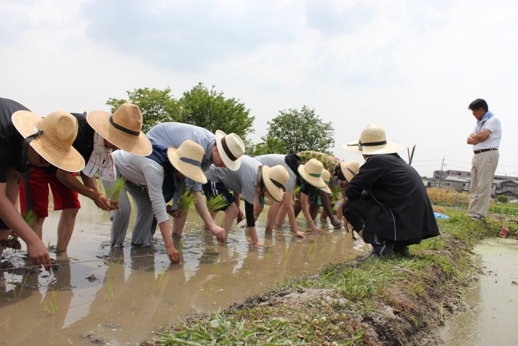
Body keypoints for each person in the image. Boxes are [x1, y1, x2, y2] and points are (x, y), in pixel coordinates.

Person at [19, 103, 152, 251]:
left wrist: (99, 196)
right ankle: (35, 255)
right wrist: (93, 195)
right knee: (37, 214)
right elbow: (62, 175)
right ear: (108, 133)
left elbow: (87, 172)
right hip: (40, 162)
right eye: (118, 142)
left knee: (72, 207)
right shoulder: (78, 130)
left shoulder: (101, 146)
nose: (118, 148)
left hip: (66, 167)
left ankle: (61, 253)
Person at [0, 97, 85, 269]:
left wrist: (13, 224)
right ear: (33, 142)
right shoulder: (4, 136)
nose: (46, 165)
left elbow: (13, 177)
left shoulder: (26, 143)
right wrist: (31, 239)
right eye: (44, 157)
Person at [342, 124, 439, 260]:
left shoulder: (376, 161)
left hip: (401, 223)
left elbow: (352, 192)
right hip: (414, 227)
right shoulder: (397, 162)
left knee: (349, 206)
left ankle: (379, 246)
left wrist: (351, 208)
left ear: (365, 151)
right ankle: (398, 247)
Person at [106, 140, 208, 263]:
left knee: (147, 209)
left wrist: (172, 208)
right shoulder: (154, 166)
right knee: (123, 210)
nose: (187, 176)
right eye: (186, 171)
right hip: (113, 166)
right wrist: (169, 246)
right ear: (177, 164)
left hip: (135, 177)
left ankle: (139, 246)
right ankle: (115, 250)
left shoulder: (171, 171)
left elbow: (158, 204)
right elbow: (158, 204)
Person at [146, 122, 245, 242]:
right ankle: (148, 237)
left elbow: (192, 186)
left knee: (185, 198)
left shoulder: (209, 153)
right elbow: (195, 191)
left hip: (172, 153)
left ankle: (176, 238)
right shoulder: (196, 148)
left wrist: (178, 205)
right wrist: (212, 225)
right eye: (225, 161)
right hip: (155, 147)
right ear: (218, 150)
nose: (225, 167)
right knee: (161, 195)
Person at [203, 155, 289, 246]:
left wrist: (239, 207)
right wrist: (255, 241)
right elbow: (249, 212)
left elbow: (235, 183)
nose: (266, 192)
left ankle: (205, 233)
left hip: (218, 175)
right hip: (212, 175)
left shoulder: (257, 169)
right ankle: (220, 242)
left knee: (219, 205)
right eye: (268, 189)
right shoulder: (251, 179)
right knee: (232, 211)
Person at [255, 154, 328, 237]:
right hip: (257, 169)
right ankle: (268, 233)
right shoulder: (292, 174)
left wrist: (313, 227)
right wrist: (296, 230)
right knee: (278, 200)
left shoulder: (301, 174)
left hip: (263, 173)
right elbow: (289, 207)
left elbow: (304, 208)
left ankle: (274, 227)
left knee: (259, 207)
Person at [466, 98, 502, 221]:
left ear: (482, 109)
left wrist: (478, 137)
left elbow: (481, 136)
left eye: (475, 112)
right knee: (474, 186)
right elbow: (469, 140)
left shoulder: (493, 120)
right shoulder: (479, 123)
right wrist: (478, 138)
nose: (474, 115)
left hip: (488, 154)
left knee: (483, 185)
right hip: (477, 154)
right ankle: (472, 213)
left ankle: (480, 214)